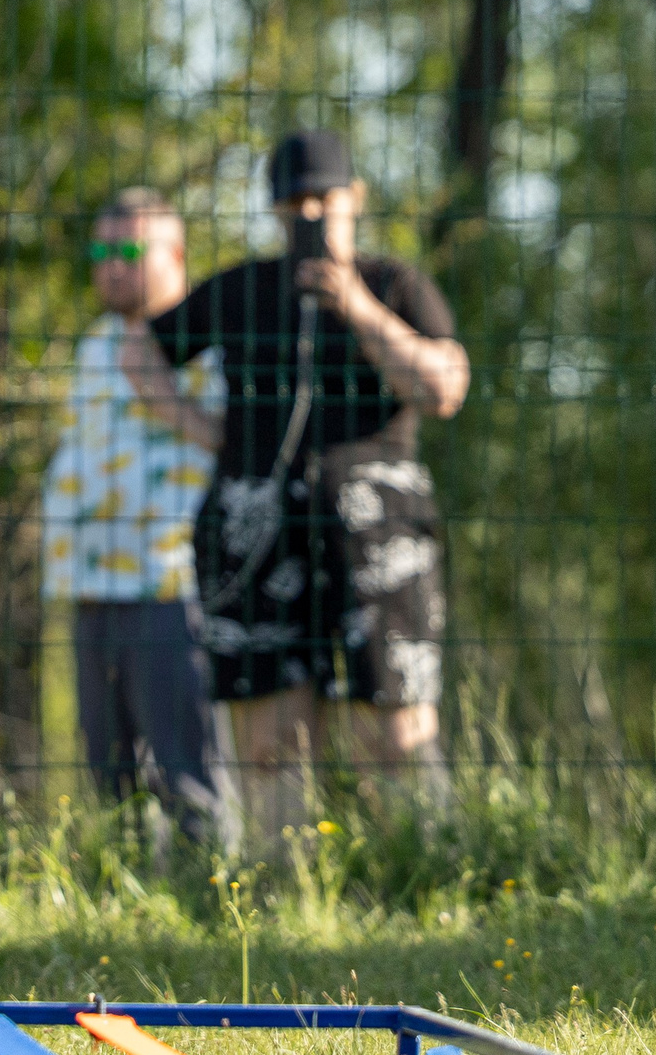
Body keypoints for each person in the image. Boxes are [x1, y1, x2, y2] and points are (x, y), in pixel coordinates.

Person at [144, 130, 470, 843]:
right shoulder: (242, 287)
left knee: (397, 726)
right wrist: (204, 429)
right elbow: (141, 345)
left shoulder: (396, 284)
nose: (312, 214)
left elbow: (445, 387)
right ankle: (278, 888)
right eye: (296, 203)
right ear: (275, 211)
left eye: (326, 199)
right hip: (256, 529)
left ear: (356, 199)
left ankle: (426, 873)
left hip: (377, 530)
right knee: (269, 739)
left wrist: (357, 306)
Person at [40, 190, 234, 849]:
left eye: (129, 251)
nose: (112, 266)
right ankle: (122, 903)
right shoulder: (94, 344)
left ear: (174, 255)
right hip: (90, 585)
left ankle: (214, 897)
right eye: (102, 250)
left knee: (187, 767)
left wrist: (163, 395)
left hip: (168, 582)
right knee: (109, 774)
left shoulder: (207, 342)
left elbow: (237, 448)